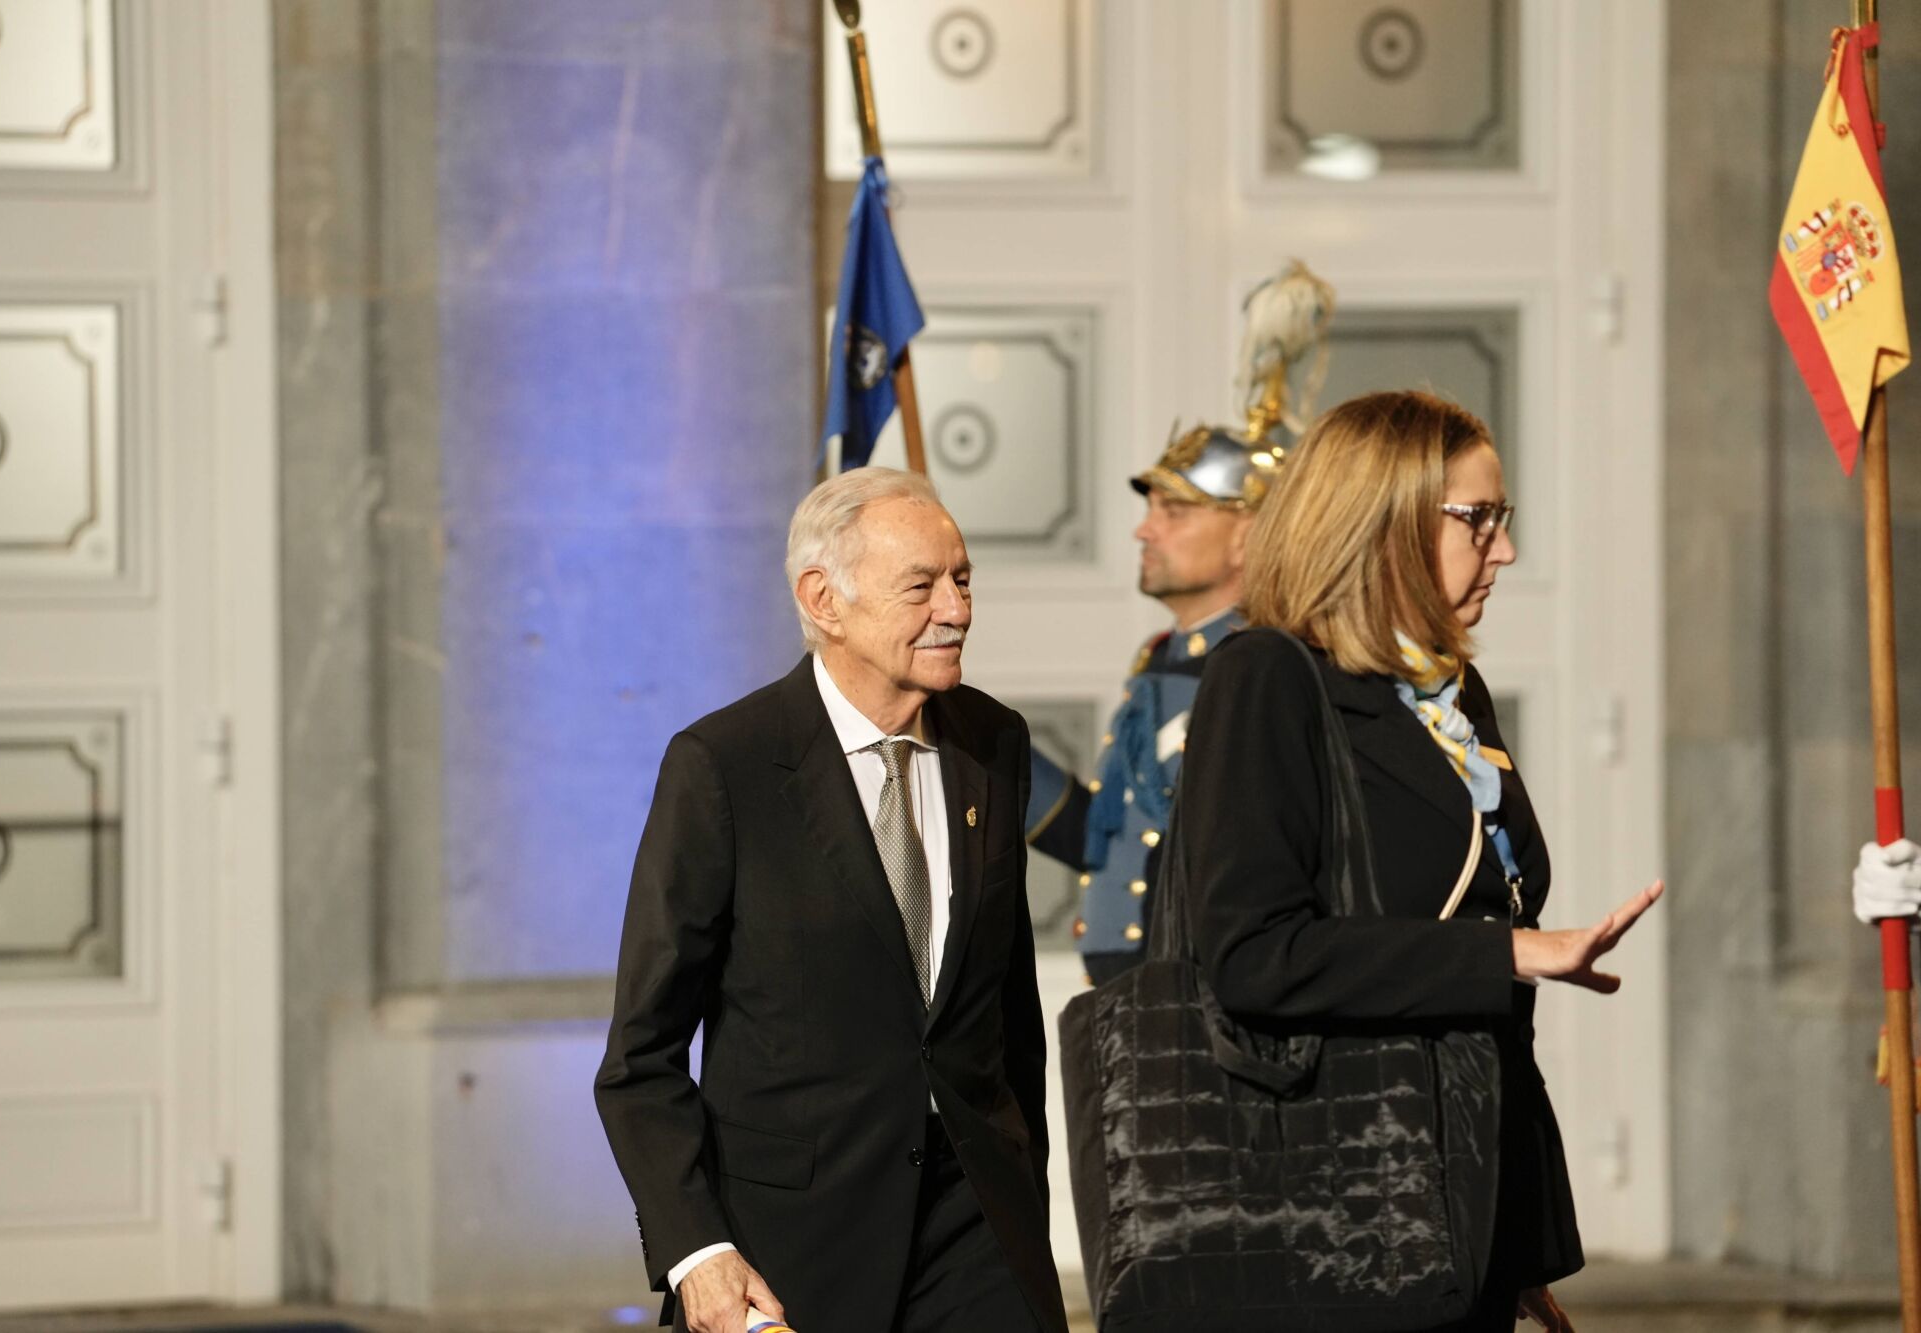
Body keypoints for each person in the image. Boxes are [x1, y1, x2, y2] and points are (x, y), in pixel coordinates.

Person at [1174, 390, 1664, 1332]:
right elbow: (1252, 957)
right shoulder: (1268, 676)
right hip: (1325, 1203)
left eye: (1502, 519)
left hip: (1460, 1205)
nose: (1506, 550)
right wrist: (1512, 952)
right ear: (1380, 524)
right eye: (1477, 520)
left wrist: (1518, 1240)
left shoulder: (1452, 691)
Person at [594, 467, 1067, 1333]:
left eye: (962, 580)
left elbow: (1007, 1009)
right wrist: (696, 1252)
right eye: (921, 586)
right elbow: (641, 1056)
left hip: (977, 1234)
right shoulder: (725, 766)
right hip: (789, 1247)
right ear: (824, 600)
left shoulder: (995, 741)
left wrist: (1025, 1200)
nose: (956, 609)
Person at [1025, 424, 1276, 984]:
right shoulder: (1160, 658)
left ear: (1248, 535)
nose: (1144, 530)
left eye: (1175, 512)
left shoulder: (1264, 667)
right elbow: (1120, 836)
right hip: (1128, 994)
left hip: (1198, 998)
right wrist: (984, 749)